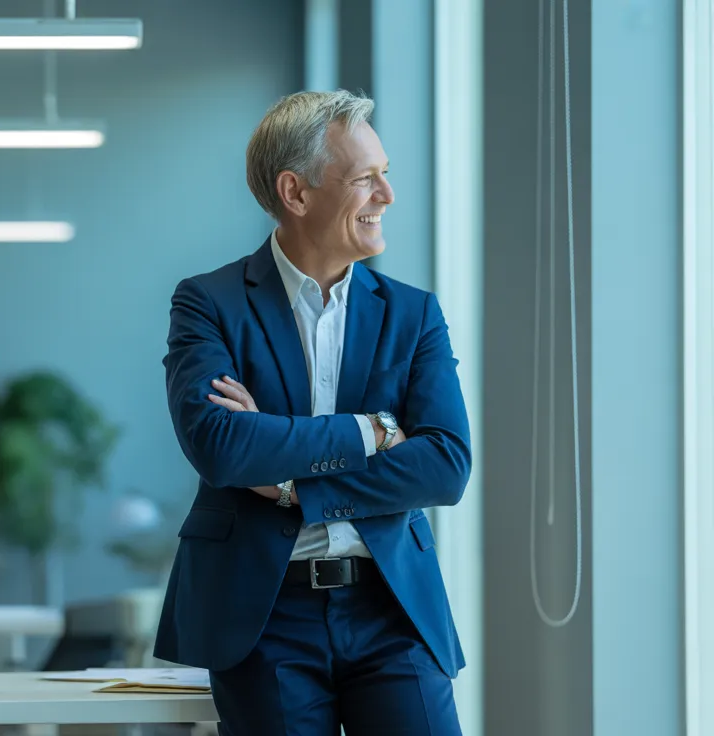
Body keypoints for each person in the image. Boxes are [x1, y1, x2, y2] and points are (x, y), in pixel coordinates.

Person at [153, 89, 471, 735]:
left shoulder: (413, 314)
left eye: (386, 174)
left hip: (393, 608)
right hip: (264, 616)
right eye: (365, 179)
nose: (387, 195)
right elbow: (223, 447)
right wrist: (375, 430)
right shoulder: (209, 303)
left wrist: (297, 484)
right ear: (296, 194)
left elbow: (444, 464)